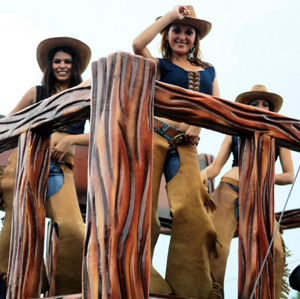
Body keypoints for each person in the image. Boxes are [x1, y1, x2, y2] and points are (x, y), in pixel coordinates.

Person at [133, 5, 222, 298]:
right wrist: (171, 14)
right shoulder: (159, 64)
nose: (182, 36)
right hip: (154, 138)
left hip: (185, 146)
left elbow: (216, 107)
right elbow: (136, 44)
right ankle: (141, 277)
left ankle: (191, 288)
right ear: (167, 34)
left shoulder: (209, 70)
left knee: (194, 215)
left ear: (196, 38)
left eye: (189, 31)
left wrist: (198, 126)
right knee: (144, 213)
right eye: (177, 30)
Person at [0, 36, 91, 296]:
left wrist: (71, 139)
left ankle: (68, 292)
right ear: (49, 66)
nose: (62, 66)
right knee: (17, 230)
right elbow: (9, 124)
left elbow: (99, 132)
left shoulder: (84, 96)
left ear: (75, 67)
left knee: (74, 229)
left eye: (67, 62)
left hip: (59, 169)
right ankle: (13, 288)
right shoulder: (35, 93)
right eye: (57, 61)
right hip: (27, 165)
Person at [201, 84, 294, 298]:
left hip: (259, 198)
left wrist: (260, 177)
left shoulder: (280, 138)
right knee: (217, 250)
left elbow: (289, 176)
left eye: (265, 104)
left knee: (275, 250)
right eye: (255, 103)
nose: (260, 107)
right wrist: (201, 175)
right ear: (247, 107)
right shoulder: (234, 133)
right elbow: (215, 169)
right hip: (228, 190)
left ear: (271, 110)